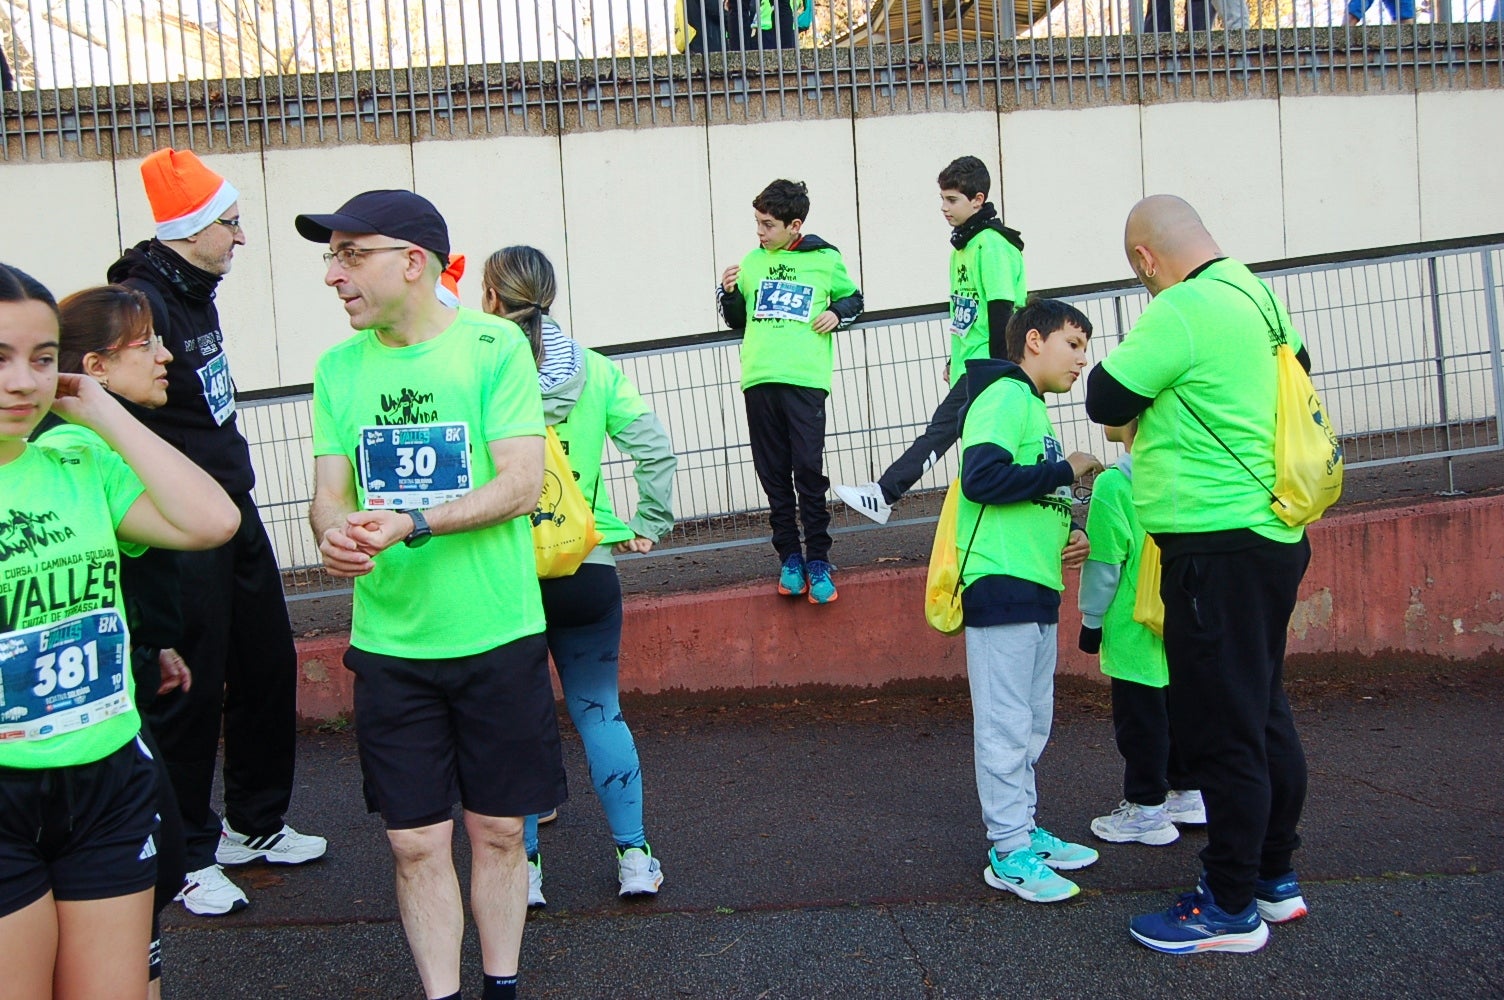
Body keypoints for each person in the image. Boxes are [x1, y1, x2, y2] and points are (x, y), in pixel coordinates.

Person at [299, 190, 568, 1000]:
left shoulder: (492, 347)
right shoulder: (338, 370)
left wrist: (414, 521)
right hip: (391, 649)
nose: (332, 276)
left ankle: (502, 987)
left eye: (350, 255)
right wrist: (334, 534)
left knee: (497, 831)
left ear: (411, 262)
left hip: (497, 636)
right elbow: (327, 493)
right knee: (415, 844)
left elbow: (522, 485)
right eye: (331, 257)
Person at [0, 262, 238, 1000]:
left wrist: (101, 411)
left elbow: (213, 520)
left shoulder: (78, 459)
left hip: (107, 783)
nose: (23, 381)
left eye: (42, 359)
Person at [1085, 194, 1314, 955]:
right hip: (1273, 532)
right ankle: (1273, 879)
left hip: (1214, 548)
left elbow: (1105, 397)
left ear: (1146, 261)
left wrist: (1147, 409)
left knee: (1222, 731)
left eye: (1139, 274)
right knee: (1261, 711)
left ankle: (1227, 906)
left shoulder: (1181, 307)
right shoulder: (1256, 293)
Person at [107, 147, 324, 917]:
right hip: (179, 523)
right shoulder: (141, 299)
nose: (239, 238)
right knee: (188, 687)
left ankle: (255, 825)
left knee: (266, 661)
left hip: (236, 506)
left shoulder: (197, 290)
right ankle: (189, 852)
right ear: (190, 227)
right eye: (229, 224)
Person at [480, 245, 678, 906]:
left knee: (517, 722)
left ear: (490, 299)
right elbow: (653, 446)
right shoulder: (593, 372)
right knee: (600, 712)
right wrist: (649, 518)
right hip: (587, 569)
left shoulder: (479, 372)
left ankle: (527, 872)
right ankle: (635, 859)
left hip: (506, 576)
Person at [39, 284, 195, 999]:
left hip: (110, 714)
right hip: (68, 748)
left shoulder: (97, 445)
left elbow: (110, 579)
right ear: (95, 368)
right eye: (147, 344)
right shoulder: (72, 450)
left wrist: (150, 643)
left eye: (38, 358)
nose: (167, 356)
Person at [958, 298, 1103, 904]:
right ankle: (1009, 849)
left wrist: (1069, 530)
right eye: (1074, 345)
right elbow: (981, 478)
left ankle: (1025, 830)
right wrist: (1065, 471)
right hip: (1002, 585)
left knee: (1031, 721)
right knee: (1006, 723)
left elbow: (1026, 495)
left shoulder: (1033, 411)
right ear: (1035, 341)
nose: (1082, 360)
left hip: (1036, 587)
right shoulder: (1003, 397)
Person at [835, 156, 1025, 526]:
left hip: (989, 367)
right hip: (973, 364)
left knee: (943, 433)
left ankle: (884, 493)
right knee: (991, 444)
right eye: (942, 198)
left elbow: (1003, 311)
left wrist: (998, 372)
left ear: (977, 199)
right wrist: (956, 358)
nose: (943, 208)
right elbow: (968, 314)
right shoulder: (963, 248)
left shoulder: (992, 246)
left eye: (951, 199)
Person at [717, 179, 863, 604]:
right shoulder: (751, 261)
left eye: (767, 225)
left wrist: (837, 312)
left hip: (805, 380)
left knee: (807, 469)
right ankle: (789, 558)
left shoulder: (824, 258)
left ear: (794, 225)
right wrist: (727, 293)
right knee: (773, 473)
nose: (759, 233)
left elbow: (854, 300)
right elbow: (738, 319)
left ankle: (818, 558)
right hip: (759, 379)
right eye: (757, 223)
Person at [1076, 418, 1206, 849]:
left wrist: (1091, 621)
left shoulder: (1114, 486)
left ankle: (1146, 810)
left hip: (1133, 626)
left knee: (1140, 721)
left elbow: (1104, 566)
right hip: (1181, 618)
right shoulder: (1184, 473)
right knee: (1182, 711)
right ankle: (1188, 793)